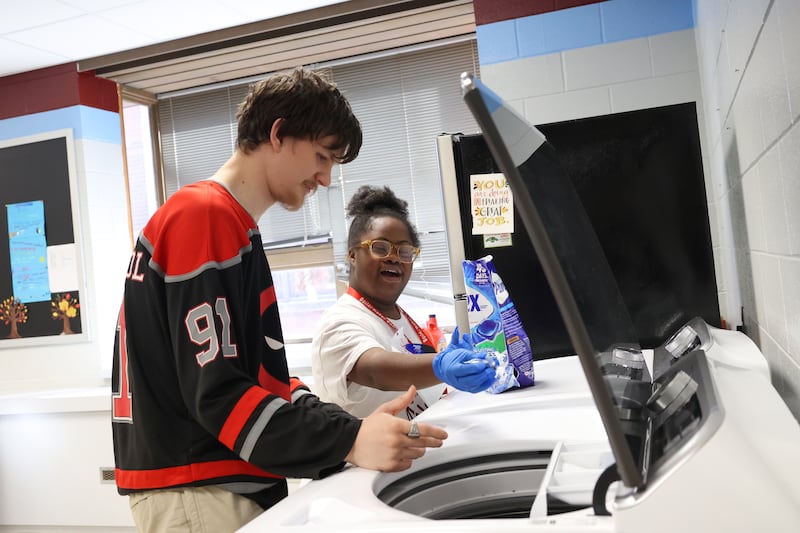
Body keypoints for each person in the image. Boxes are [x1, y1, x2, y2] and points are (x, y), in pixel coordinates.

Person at [110, 68, 448, 533]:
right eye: (322, 156)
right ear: (278, 134)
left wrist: (343, 428)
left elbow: (261, 379)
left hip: (211, 483)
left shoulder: (232, 225)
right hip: (197, 486)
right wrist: (350, 439)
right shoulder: (204, 216)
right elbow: (220, 394)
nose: (326, 178)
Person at [311, 185, 496, 420]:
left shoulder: (401, 318)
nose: (394, 257)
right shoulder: (338, 322)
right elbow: (376, 370)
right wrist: (440, 366)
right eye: (380, 247)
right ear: (353, 255)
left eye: (405, 251)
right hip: (368, 457)